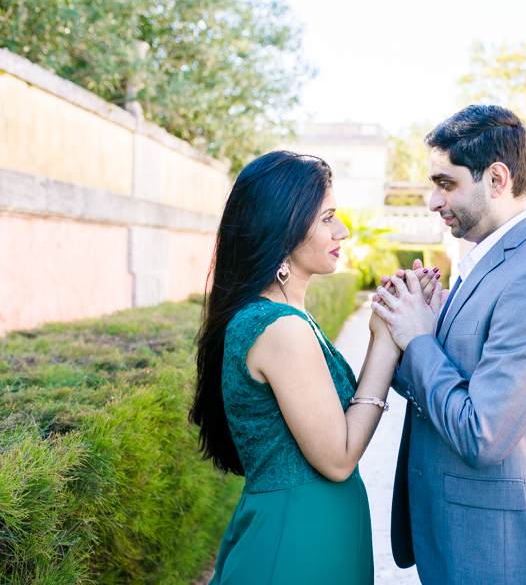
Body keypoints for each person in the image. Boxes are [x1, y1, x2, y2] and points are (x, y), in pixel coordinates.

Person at [189, 151, 441, 584]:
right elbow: (338, 459)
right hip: (298, 545)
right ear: (283, 231)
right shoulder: (279, 327)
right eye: (327, 218)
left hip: (313, 532)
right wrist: (384, 342)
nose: (341, 230)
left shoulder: (284, 317)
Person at [372, 105, 526, 585]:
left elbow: (483, 434)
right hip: (455, 535)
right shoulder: (482, 259)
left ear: (496, 178)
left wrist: (418, 340)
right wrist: (418, 329)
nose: (432, 201)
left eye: (445, 184)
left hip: (499, 552)